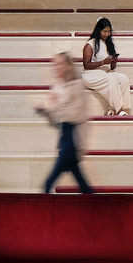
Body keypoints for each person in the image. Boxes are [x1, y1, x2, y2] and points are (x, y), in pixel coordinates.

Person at [34, 52, 97, 195]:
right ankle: (97, 207)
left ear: (68, 66)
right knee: (83, 184)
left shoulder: (76, 86)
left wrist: (57, 105)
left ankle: (40, 206)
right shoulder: (57, 88)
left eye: (59, 64)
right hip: (64, 137)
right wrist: (46, 112)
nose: (55, 67)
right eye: (54, 64)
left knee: (49, 182)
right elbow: (55, 123)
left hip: (73, 137)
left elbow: (76, 115)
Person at [80, 17, 132, 115]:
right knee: (111, 78)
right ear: (98, 30)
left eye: (109, 31)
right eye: (104, 31)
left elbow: (112, 68)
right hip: (90, 74)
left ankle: (114, 109)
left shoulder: (109, 44)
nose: (107, 34)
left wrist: (113, 63)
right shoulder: (90, 44)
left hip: (105, 72)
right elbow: (86, 65)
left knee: (124, 79)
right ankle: (119, 110)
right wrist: (103, 62)